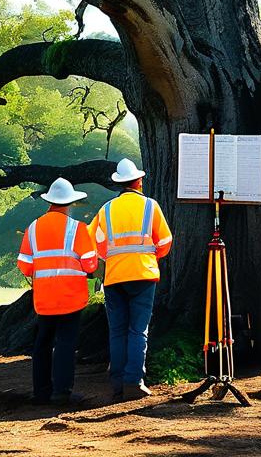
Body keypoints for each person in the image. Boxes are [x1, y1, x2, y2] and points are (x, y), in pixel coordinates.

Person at [88, 157, 173, 401]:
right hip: (143, 275)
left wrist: (109, 256)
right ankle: (134, 381)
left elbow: (92, 242)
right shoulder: (150, 206)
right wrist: (151, 256)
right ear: (138, 181)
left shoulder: (106, 210)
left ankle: (116, 383)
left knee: (117, 331)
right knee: (138, 330)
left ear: (119, 184)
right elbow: (165, 242)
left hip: (114, 277)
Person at [17, 177, 98, 405]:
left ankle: (41, 392)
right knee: (65, 343)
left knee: (42, 343)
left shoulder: (33, 228)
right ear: (69, 203)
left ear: (50, 202)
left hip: (44, 298)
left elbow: (24, 265)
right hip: (71, 296)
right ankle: (62, 392)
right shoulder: (77, 228)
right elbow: (90, 264)